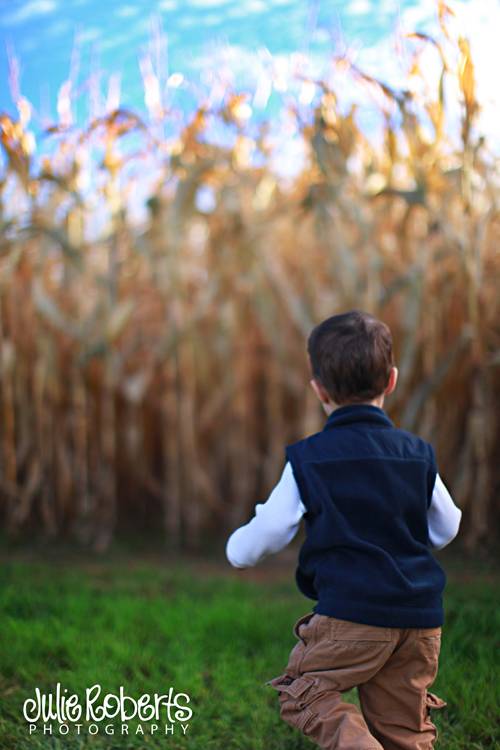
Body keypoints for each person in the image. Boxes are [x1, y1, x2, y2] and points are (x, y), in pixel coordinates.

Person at [225, 310, 462, 750]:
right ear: (391, 380)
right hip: (419, 621)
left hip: (350, 617)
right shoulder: (417, 453)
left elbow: (274, 527)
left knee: (304, 693)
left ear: (318, 389)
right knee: (404, 728)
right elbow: (447, 525)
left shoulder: (310, 457)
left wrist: (237, 550)